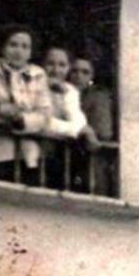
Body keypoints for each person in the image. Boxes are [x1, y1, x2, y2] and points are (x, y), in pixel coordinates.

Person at [0, 24, 54, 186]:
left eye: (25, 47)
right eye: (13, 44)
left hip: (26, 156)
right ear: (2, 47)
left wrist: (22, 120)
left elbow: (45, 116)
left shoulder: (38, 75)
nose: (18, 51)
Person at [40, 47, 99, 188]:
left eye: (62, 65)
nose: (55, 70)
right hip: (34, 154)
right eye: (50, 63)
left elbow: (77, 118)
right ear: (42, 65)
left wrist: (80, 127)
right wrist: (79, 129)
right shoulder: (34, 85)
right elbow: (41, 121)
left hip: (57, 158)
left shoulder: (69, 90)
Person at [68, 54, 115, 196]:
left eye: (85, 72)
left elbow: (103, 131)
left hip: (90, 159)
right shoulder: (63, 93)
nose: (78, 76)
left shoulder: (98, 97)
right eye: (74, 71)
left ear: (91, 76)